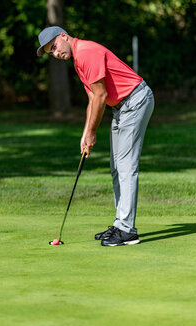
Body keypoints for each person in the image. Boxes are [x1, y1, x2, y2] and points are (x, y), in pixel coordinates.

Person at [37, 26, 155, 247]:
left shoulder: (86, 53)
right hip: (122, 107)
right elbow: (92, 99)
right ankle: (121, 223)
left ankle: (127, 230)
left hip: (135, 101)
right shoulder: (78, 60)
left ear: (64, 36)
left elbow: (101, 96)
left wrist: (92, 133)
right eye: (51, 52)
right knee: (116, 165)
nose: (55, 54)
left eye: (54, 47)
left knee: (126, 165)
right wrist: (85, 133)